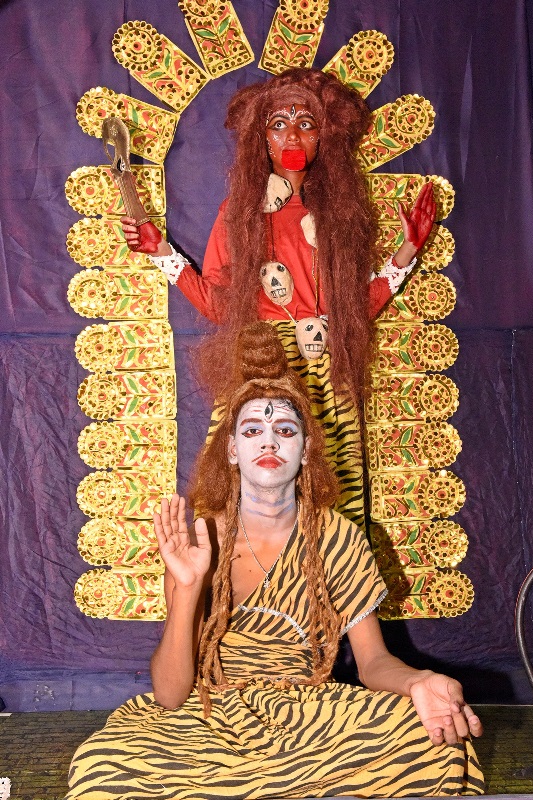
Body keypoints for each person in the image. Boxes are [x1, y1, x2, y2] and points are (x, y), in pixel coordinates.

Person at [66, 323, 483, 800]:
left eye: (285, 430)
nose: (268, 442)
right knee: (103, 766)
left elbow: (372, 664)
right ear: (231, 450)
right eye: (252, 430)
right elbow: (169, 695)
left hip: (310, 712)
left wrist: (418, 681)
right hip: (208, 713)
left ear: (306, 451)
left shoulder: (337, 537)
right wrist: (187, 587)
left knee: (433, 741)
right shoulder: (202, 538)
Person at [121, 68, 436, 528]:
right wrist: (161, 251)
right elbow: (217, 305)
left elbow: (355, 310)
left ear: (323, 138)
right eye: (279, 123)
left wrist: (408, 250)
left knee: (333, 507)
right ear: (262, 139)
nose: (293, 134)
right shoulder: (240, 213)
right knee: (239, 499)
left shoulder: (339, 215)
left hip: (326, 370)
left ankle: (327, 594)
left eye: (306, 123)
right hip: (259, 360)